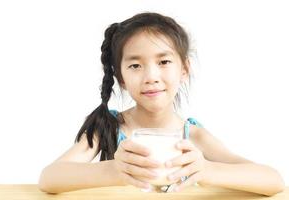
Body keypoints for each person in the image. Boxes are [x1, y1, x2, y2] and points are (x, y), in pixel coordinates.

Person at [38, 12, 285, 195]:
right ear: (121, 78)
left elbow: (272, 180)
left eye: (164, 62)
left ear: (184, 69)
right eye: (135, 65)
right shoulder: (110, 127)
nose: (151, 77)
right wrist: (114, 170)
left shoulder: (193, 136)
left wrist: (207, 170)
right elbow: (49, 178)